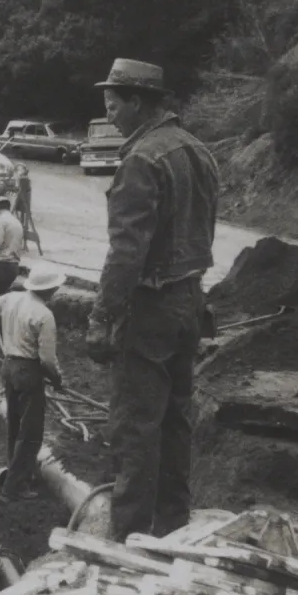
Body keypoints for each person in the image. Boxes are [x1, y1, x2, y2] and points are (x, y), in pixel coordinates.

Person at [85, 58, 219, 541]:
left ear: (138, 102)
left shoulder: (141, 160)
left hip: (152, 306)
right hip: (190, 301)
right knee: (175, 419)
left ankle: (128, 539)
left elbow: (126, 252)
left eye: (113, 106)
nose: (110, 117)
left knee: (136, 425)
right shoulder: (197, 150)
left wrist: (103, 316)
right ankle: (172, 529)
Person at [0, 264, 66, 499]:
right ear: (50, 289)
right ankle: (16, 485)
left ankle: (16, 471)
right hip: (28, 372)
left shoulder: (11, 299)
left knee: (14, 423)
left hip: (8, 367)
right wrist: (57, 379)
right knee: (31, 432)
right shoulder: (45, 315)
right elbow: (46, 360)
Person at [0, 195, 25, 297]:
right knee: (7, 299)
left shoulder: (0, 220)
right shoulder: (16, 221)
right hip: (14, 266)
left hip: (1, 265)